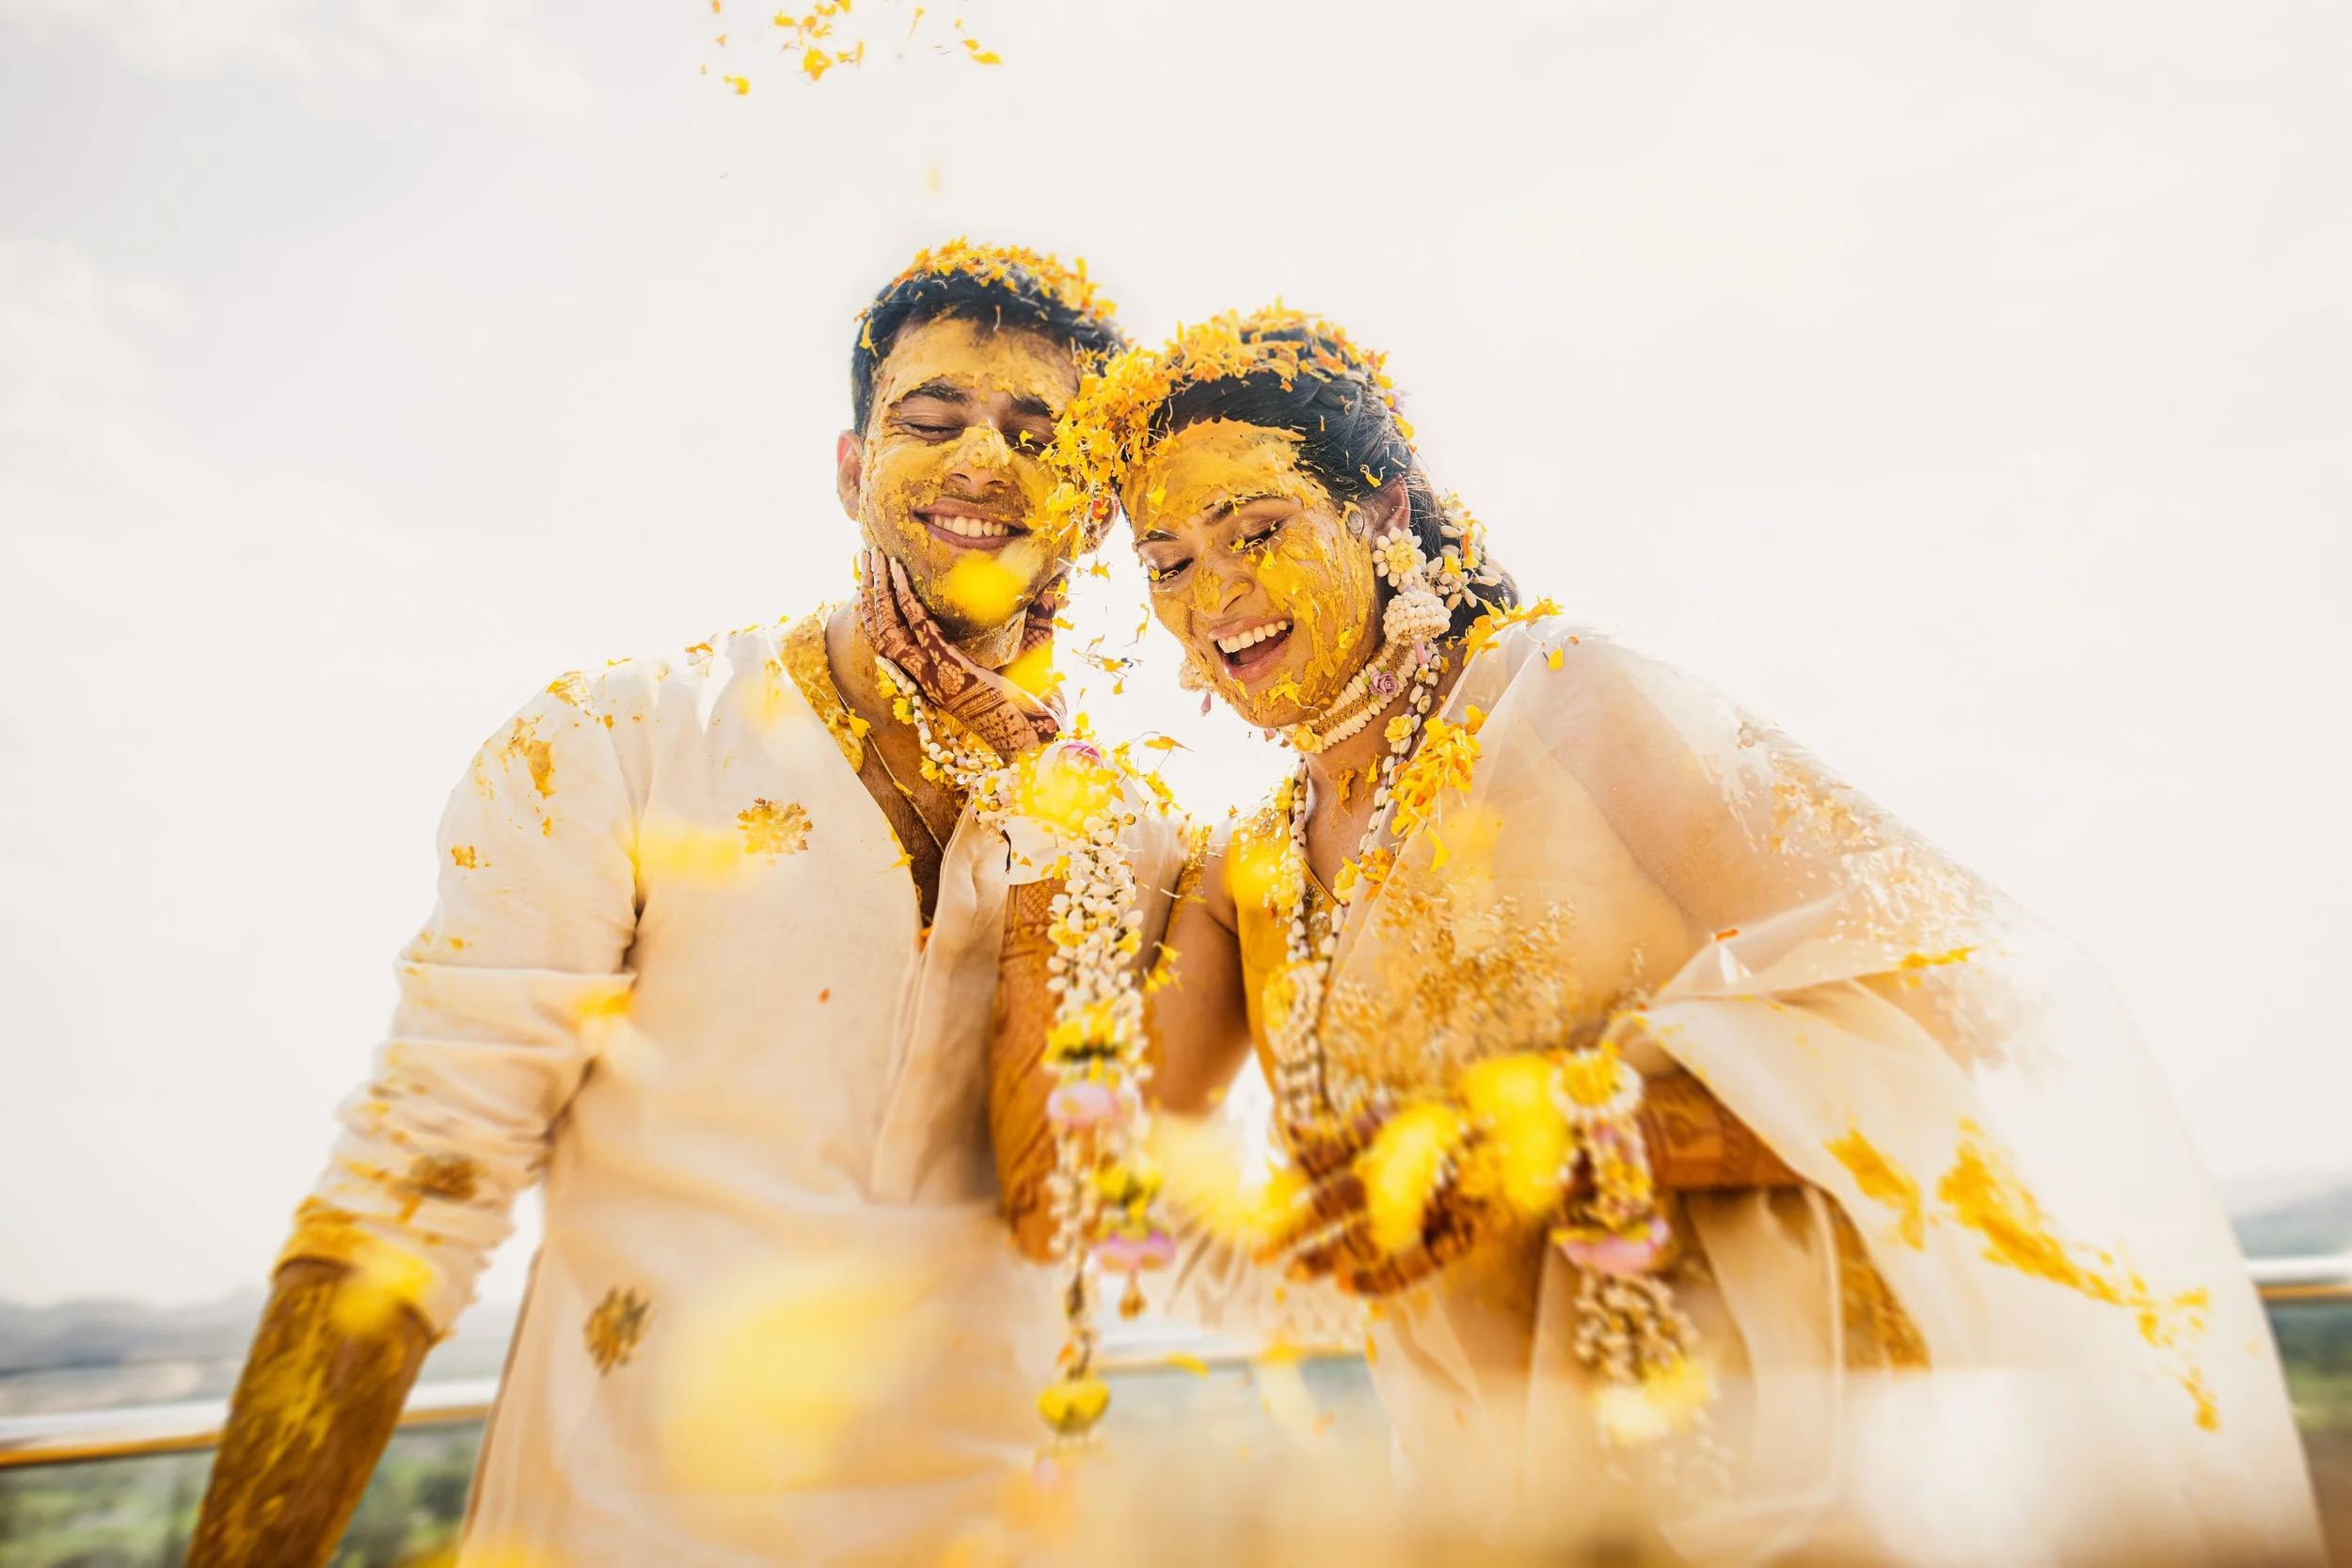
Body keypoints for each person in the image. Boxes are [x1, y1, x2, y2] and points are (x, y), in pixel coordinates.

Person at [995, 307, 2326, 1563]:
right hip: (1491, 1503)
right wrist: (1024, 802)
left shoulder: (1567, 701)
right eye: (1167, 564)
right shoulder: (1249, 875)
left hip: (1759, 1475)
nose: (1215, 592)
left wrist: (1581, 1134)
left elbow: (1971, 1001)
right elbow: (1086, 1186)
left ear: (1382, 508)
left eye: (1256, 526)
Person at [188, 241, 1133, 1568]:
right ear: (852, 471)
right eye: (932, 419)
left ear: (1093, 504)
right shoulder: (617, 742)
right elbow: (415, 1185)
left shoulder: (1124, 830)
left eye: (1042, 434)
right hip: (622, 1526)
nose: (985, 459)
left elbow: (1093, 1215)